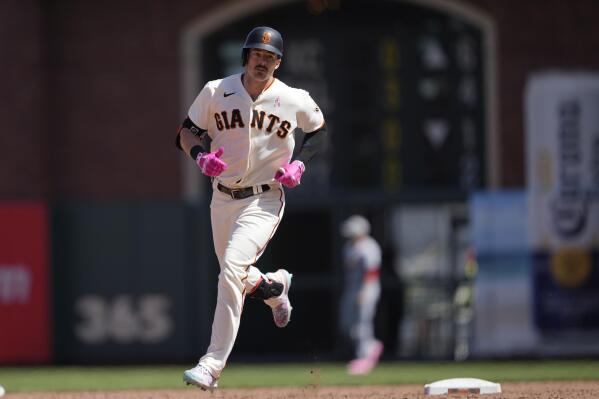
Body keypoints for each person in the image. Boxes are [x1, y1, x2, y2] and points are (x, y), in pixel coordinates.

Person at [175, 26, 326, 391]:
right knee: (238, 275)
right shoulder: (217, 90)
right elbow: (185, 132)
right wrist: (199, 156)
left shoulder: (294, 98)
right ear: (246, 57)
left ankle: (211, 365)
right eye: (258, 56)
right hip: (222, 196)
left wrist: (300, 164)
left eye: (271, 58)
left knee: (229, 268)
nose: (263, 62)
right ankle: (273, 286)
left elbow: (319, 130)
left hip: (264, 198)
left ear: (278, 63)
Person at [338, 215, 384, 375]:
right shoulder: (349, 247)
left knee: (362, 324)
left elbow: (371, 271)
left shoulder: (369, 246)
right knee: (347, 325)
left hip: (367, 288)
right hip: (352, 288)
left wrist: (364, 291)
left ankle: (364, 355)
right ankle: (369, 348)